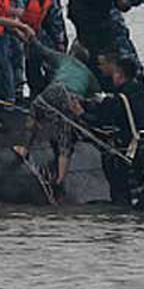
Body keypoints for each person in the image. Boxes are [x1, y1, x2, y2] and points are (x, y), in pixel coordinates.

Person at [13, 38, 101, 199]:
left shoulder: (64, 59)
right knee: (65, 137)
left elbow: (42, 50)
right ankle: (60, 179)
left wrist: (29, 36)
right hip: (74, 98)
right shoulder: (89, 74)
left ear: (72, 52)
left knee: (35, 111)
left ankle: (24, 148)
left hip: (57, 89)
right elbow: (95, 95)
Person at [98, 56, 144, 204]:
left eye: (115, 73)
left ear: (120, 74)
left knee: (120, 186)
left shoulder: (120, 98)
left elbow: (103, 120)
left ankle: (121, 209)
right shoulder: (140, 91)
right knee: (138, 184)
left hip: (126, 147)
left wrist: (80, 113)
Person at [69, 0, 132, 81]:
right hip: (82, 13)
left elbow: (125, 6)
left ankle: (110, 78)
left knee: (111, 47)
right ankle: (93, 79)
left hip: (102, 15)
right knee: (91, 49)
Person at [17, 0, 67, 98]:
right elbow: (17, 14)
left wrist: (59, 41)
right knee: (21, 60)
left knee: (47, 56)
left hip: (36, 29)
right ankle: (20, 91)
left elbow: (56, 19)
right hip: (18, 29)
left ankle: (45, 91)